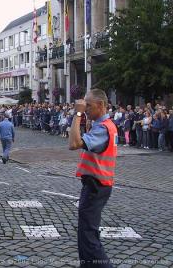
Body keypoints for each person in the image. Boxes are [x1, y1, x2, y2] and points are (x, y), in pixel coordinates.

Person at [69, 89, 117, 268]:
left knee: (88, 236)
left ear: (101, 105)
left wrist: (78, 113)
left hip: (96, 185)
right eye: (84, 105)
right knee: (87, 233)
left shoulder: (103, 128)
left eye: (89, 105)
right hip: (98, 184)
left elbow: (73, 143)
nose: (85, 107)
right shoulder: (105, 125)